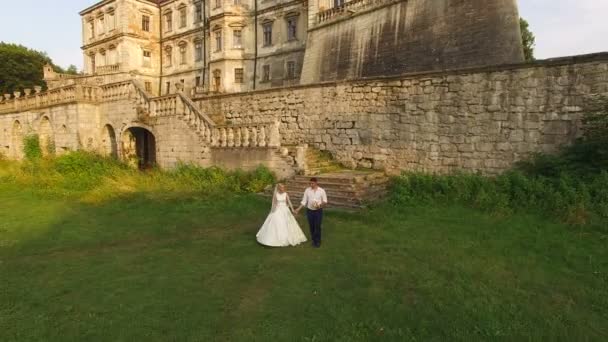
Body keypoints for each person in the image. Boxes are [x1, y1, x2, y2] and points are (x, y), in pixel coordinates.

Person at [295, 178, 328, 248]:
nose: (311, 185)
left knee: (318, 226)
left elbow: (325, 201)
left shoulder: (321, 191)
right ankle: (314, 240)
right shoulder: (307, 190)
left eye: (312, 183)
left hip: (318, 211)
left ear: (316, 183)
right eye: (310, 183)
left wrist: (319, 205)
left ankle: (318, 241)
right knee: (312, 226)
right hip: (309, 211)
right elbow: (304, 201)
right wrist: (298, 209)